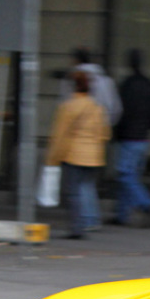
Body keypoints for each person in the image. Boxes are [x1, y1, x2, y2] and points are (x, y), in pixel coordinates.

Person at [46, 71, 111, 240]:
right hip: (93, 157)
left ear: (73, 87)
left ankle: (77, 227)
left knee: (73, 193)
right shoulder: (97, 108)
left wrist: (53, 158)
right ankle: (89, 220)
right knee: (86, 188)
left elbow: (59, 135)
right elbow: (105, 134)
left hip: (73, 155)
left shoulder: (68, 107)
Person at [110, 49, 150, 227]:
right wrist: (149, 127)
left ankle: (147, 204)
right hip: (143, 137)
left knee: (125, 176)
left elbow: (119, 112)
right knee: (131, 176)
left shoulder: (127, 85)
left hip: (129, 137)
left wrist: (116, 132)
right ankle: (122, 214)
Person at [62, 47, 122, 129]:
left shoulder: (70, 80)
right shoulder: (107, 81)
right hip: (98, 133)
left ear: (76, 61)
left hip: (75, 133)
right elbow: (115, 110)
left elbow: (64, 107)